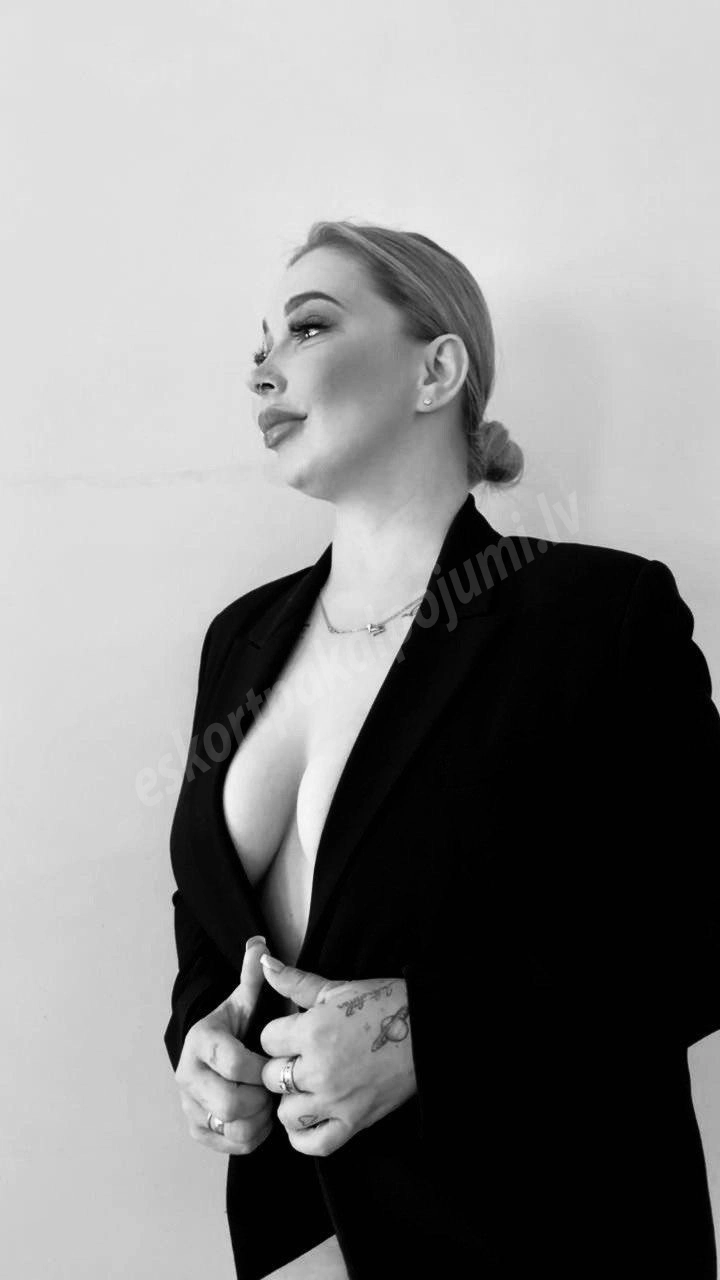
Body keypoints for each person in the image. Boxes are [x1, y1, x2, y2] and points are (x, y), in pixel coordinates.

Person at [164, 219, 720, 1280]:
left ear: (437, 370)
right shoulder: (239, 640)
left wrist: (430, 1034)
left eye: (308, 327)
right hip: (300, 1243)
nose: (262, 369)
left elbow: (703, 922)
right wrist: (203, 1039)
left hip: (547, 1236)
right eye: (259, 344)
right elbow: (210, 920)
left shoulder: (595, 617)